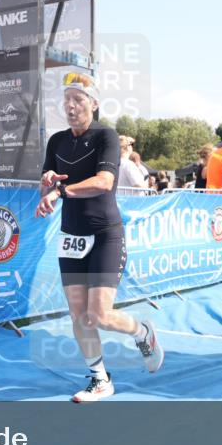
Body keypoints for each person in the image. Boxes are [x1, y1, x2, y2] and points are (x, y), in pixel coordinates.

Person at [35, 72, 163, 403]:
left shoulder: (106, 135)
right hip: (71, 236)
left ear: (93, 104)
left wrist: (60, 191)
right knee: (78, 314)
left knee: (100, 315)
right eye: (66, 100)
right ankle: (100, 379)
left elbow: (104, 182)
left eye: (78, 99)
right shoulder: (57, 141)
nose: (70, 105)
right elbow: (46, 187)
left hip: (105, 234)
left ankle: (142, 331)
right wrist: (48, 183)